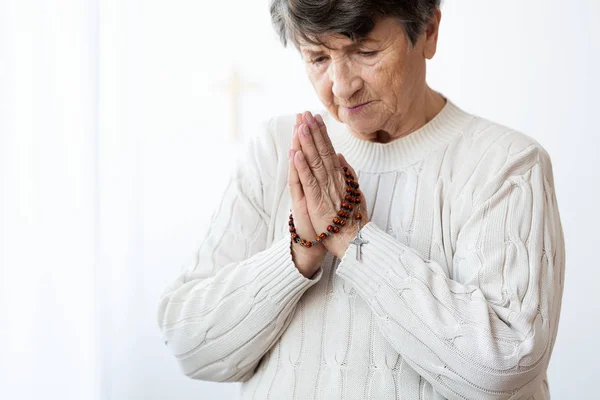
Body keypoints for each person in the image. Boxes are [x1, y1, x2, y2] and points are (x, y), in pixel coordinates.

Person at [156, 1, 565, 399]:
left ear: (429, 31)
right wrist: (298, 252)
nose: (340, 85)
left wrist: (353, 239)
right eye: (317, 57)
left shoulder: (505, 165)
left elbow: (506, 370)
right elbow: (191, 346)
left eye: (365, 52)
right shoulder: (276, 149)